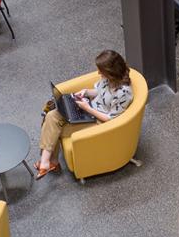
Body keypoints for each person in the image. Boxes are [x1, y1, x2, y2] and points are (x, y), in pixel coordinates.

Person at [35, 50, 134, 179]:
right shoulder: (109, 79)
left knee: (54, 126)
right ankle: (48, 162)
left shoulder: (124, 93)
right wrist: (85, 92)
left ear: (110, 71)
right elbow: (99, 92)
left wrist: (87, 108)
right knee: (52, 115)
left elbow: (110, 119)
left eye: (101, 71)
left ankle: (48, 162)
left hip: (99, 122)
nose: (98, 73)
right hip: (89, 108)